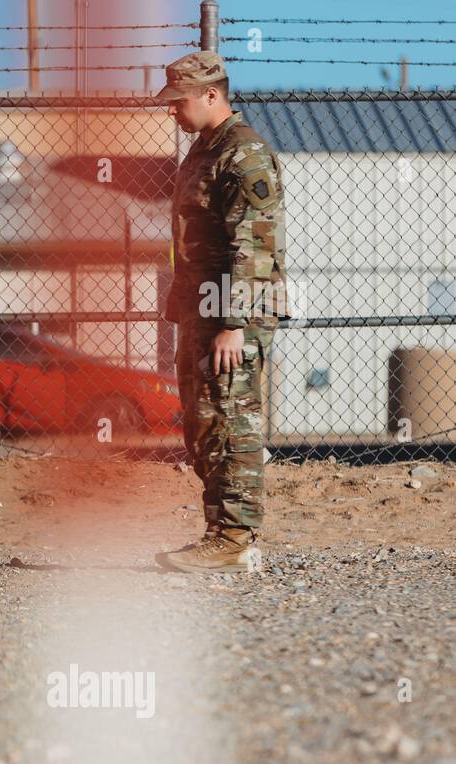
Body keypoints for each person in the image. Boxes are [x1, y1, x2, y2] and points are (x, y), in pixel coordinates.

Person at [153, 51, 286, 573]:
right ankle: (220, 532)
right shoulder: (205, 149)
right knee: (204, 420)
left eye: (178, 103)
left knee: (232, 418)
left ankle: (234, 537)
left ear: (212, 95)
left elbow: (252, 246)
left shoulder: (243, 153)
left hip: (234, 311)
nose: (172, 114)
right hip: (204, 306)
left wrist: (234, 323)